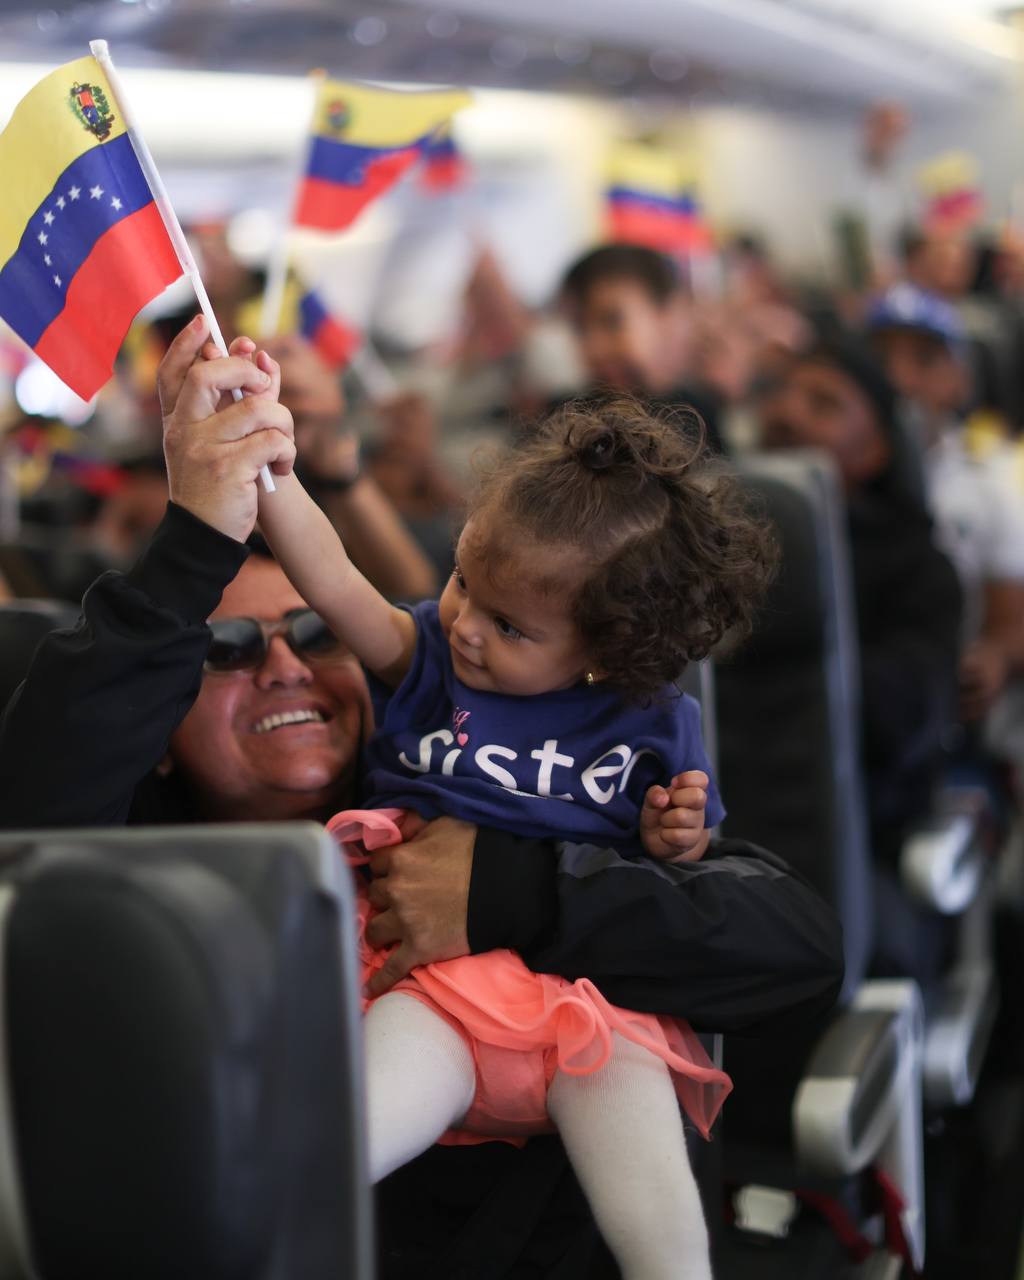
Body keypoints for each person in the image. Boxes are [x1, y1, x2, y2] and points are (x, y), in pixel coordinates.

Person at [0, 316, 843, 1277]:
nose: (285, 666)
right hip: (305, 1194)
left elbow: (794, 941)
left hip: (547, 1192)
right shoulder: (126, 858)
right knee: (308, 1166)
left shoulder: (562, 742)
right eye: (225, 648)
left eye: (315, 634)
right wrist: (211, 521)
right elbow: (36, 807)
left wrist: (516, 891)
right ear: (155, 720)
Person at [254, 367, 775, 1278]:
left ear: (605, 654)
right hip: (434, 993)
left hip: (592, 1011)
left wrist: (675, 835)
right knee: (315, 1168)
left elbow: (681, 858)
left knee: (663, 1230)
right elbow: (333, 580)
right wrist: (272, 471)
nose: (465, 626)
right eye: (463, 580)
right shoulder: (428, 661)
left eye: (510, 627)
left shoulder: (654, 724)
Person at [761, 339, 963, 981]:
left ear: (874, 451)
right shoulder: (699, 551)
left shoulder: (916, 569)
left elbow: (907, 720)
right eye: (782, 394)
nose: (787, 413)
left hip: (858, 843)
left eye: (822, 404)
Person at [866, 284, 1024, 726]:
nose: (900, 379)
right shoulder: (840, 481)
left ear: (959, 379)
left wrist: (994, 658)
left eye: (924, 360)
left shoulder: (990, 482)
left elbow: (1013, 619)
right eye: (881, 359)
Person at [559, 244, 727, 454]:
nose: (595, 348)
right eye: (579, 328)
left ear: (667, 314)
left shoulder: (699, 419)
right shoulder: (570, 424)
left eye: (612, 321)